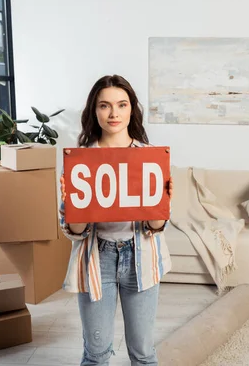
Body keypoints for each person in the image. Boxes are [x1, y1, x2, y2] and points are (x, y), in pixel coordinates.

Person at [59, 74, 172, 366]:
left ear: (131, 109)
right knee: (95, 354)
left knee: (144, 352)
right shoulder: (81, 160)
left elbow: (156, 229)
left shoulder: (150, 157)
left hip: (141, 255)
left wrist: (162, 207)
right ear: (94, 111)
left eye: (121, 105)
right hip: (98, 259)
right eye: (104, 106)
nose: (113, 114)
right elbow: (74, 232)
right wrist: (74, 205)